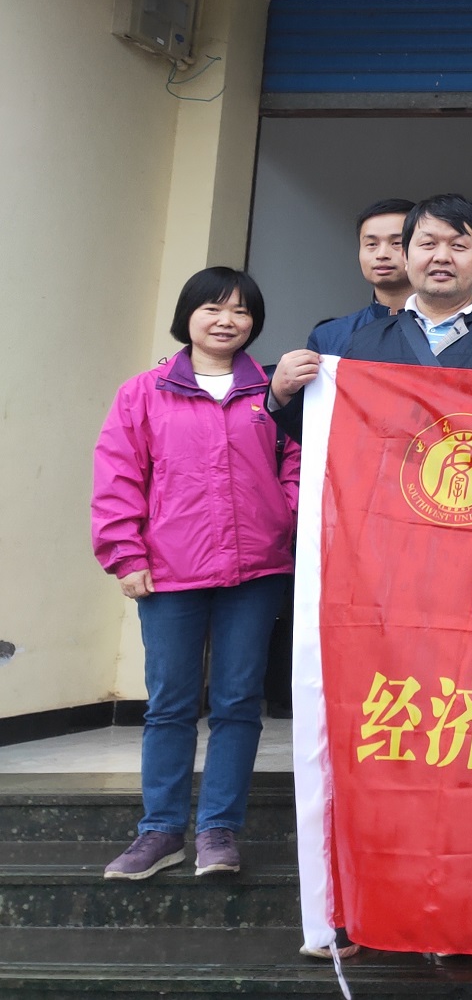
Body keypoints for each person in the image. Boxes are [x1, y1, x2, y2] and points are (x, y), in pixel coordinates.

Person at [91, 268, 297, 885]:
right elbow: (118, 473)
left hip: (256, 571)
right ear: (188, 316)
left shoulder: (273, 393)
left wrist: (281, 519)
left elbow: (297, 465)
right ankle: (160, 832)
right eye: (212, 308)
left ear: (254, 323)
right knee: (171, 705)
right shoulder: (143, 391)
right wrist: (125, 554)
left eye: (241, 311)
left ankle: (218, 832)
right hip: (170, 572)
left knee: (238, 703)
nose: (227, 321)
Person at [269, 195, 472, 428]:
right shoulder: (366, 340)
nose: (441, 257)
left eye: (458, 246)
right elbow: (334, 439)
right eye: (428, 244)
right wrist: (280, 394)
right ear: (406, 256)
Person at [306, 198, 414, 356]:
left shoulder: (445, 331)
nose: (382, 254)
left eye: (397, 242)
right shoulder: (329, 337)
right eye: (372, 244)